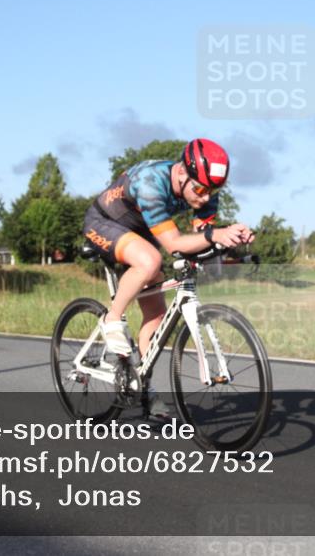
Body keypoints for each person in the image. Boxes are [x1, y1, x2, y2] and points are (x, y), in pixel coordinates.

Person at [82, 138, 256, 416]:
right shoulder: (150, 183)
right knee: (151, 261)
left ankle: (144, 389)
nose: (205, 198)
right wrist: (216, 235)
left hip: (142, 229)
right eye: (200, 190)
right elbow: (174, 243)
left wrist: (230, 240)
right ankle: (112, 318)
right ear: (181, 172)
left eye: (212, 191)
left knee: (157, 316)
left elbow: (202, 239)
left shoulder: (204, 188)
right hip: (105, 223)